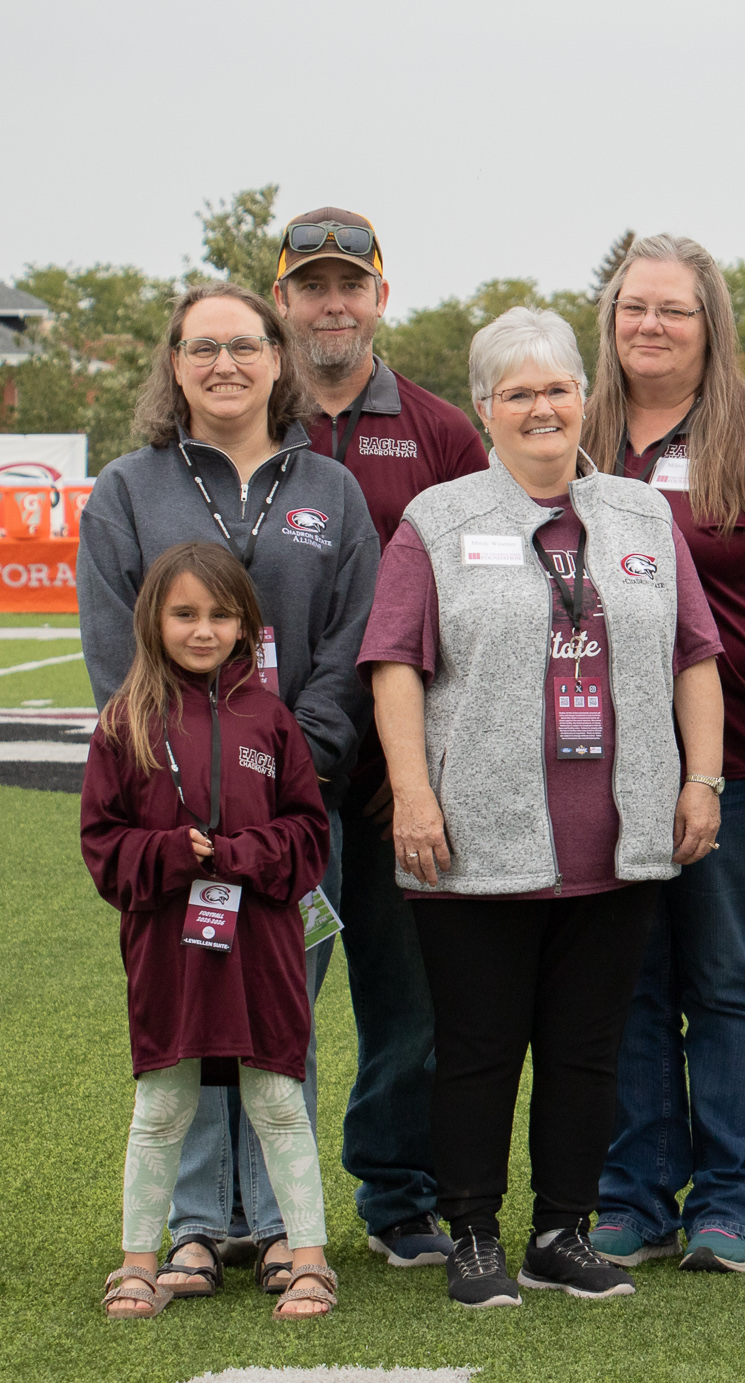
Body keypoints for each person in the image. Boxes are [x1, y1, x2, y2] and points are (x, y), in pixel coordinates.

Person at [359, 307, 727, 1309]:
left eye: (556, 388)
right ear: (484, 407)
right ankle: (472, 1232)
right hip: (476, 833)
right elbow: (395, 664)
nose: (540, 407)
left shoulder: (644, 518)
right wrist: (413, 794)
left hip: (616, 831)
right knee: (477, 1050)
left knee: (585, 1048)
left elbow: (695, 655)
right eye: (517, 392)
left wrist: (703, 780)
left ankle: (560, 1232)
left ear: (584, 399)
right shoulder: (438, 520)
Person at [77, 280, 378, 1299]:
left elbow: (352, 631)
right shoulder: (129, 487)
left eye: (244, 346)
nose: (224, 366)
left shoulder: (330, 490)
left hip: (290, 803)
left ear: (276, 357)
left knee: (277, 1014)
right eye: (202, 348)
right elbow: (115, 641)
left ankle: (291, 1234)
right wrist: (172, 773)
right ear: (175, 364)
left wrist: (302, 746)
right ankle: (202, 1227)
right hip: (174, 821)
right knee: (191, 1016)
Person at [585, 236, 745, 1275]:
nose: (650, 326)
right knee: (628, 982)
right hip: (599, 767)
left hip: (733, 766)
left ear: (710, 324)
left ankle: (732, 1196)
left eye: (674, 310)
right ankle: (633, 1193)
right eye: (634, 307)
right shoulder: (579, 430)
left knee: (728, 979)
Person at [272, 205, 489, 1270]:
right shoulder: (244, 419)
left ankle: (397, 1193)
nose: (332, 303)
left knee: (408, 1003)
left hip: (399, 777)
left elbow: (477, 597)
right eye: (312, 285)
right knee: (272, 999)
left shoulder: (443, 431)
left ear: (379, 297)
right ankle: (262, 1208)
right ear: (283, 301)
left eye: (349, 284)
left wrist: (414, 762)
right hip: (277, 778)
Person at [85, 543, 338, 1321]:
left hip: (260, 946)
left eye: (220, 614)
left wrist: (240, 855)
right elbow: (102, 843)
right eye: (184, 613)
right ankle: (138, 1259)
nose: (202, 630)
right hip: (170, 949)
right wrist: (167, 853)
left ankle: (309, 1258)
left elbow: (307, 833)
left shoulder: (271, 716)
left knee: (276, 1095)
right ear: (153, 620)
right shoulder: (124, 719)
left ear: (246, 626)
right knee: (163, 1102)